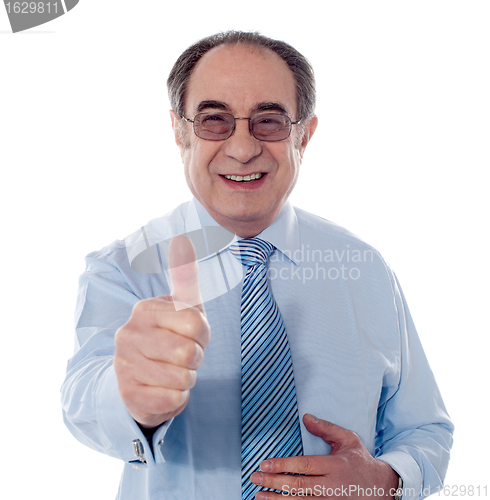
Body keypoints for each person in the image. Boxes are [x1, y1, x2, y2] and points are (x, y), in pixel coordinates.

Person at [61, 31, 453, 500]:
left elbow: (426, 429)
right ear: (180, 132)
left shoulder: (364, 268)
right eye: (213, 120)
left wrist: (385, 481)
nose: (243, 148)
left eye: (269, 121)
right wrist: (131, 394)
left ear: (304, 136)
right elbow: (83, 403)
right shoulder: (124, 268)